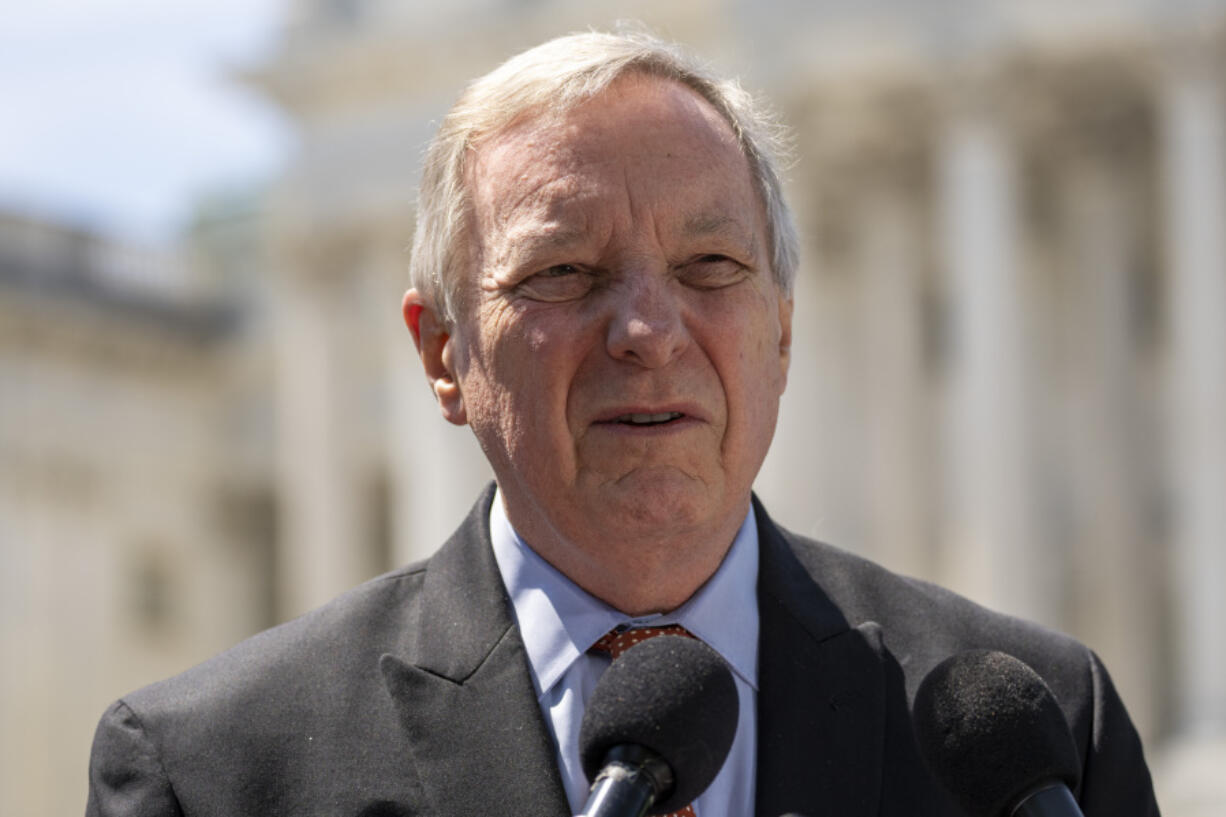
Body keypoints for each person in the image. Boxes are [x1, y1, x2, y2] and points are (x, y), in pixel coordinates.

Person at [86, 30, 1160, 817]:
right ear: (441, 355)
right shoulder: (215, 773)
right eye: (563, 273)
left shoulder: (1044, 740)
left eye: (710, 267)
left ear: (780, 334)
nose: (649, 329)